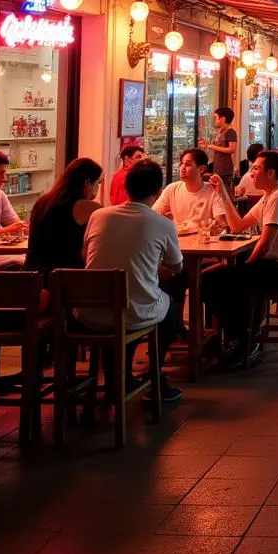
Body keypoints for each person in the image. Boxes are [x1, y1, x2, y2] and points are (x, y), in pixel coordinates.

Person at [80, 160, 184, 402]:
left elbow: (86, 256)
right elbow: (177, 266)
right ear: (158, 191)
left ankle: (120, 377)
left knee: (120, 302)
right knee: (168, 308)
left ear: (125, 187)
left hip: (88, 312)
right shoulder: (162, 223)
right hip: (132, 311)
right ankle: (154, 377)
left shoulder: (98, 215)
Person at [202, 152, 278, 368]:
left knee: (213, 279)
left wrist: (247, 266)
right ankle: (233, 337)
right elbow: (238, 226)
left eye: (256, 169)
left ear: (271, 173)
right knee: (214, 276)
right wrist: (222, 193)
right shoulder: (270, 195)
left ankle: (240, 341)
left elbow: (266, 243)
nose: (251, 174)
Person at [25, 158, 104, 285]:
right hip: (64, 281)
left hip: (33, 279)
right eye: (98, 183)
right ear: (87, 183)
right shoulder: (87, 207)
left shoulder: (43, 201)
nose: (98, 187)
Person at [153, 149, 227, 232]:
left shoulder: (212, 190)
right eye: (181, 164)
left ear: (202, 169)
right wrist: (163, 220)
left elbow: (221, 223)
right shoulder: (171, 189)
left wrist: (212, 226)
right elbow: (152, 215)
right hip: (177, 241)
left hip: (202, 241)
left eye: (188, 164)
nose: (182, 168)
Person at [199, 106, 238, 185]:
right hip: (218, 168)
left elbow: (232, 149)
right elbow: (219, 147)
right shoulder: (221, 131)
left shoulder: (230, 132)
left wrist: (212, 146)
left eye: (215, 117)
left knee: (224, 193)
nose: (214, 120)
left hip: (225, 169)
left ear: (222, 118)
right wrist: (207, 145)